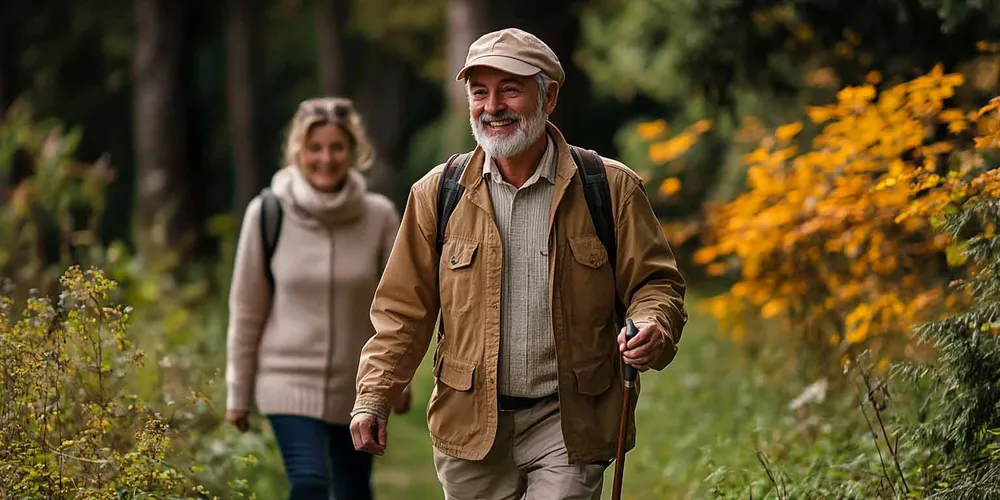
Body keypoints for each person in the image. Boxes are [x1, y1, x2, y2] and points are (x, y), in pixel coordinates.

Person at [350, 28, 688, 498]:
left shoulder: (609, 187)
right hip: (471, 428)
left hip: (568, 421)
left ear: (548, 97)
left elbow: (655, 283)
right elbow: (402, 311)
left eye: (511, 89)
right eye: (479, 92)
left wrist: (652, 323)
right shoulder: (437, 193)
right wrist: (374, 396)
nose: (493, 106)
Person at [225, 97, 409, 500]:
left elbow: (399, 307)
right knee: (309, 481)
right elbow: (246, 309)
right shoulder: (267, 213)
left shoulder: (379, 217)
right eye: (315, 148)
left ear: (354, 152)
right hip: (285, 379)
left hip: (358, 386)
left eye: (336, 147)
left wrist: (397, 380)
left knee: (353, 491)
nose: (326, 158)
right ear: (298, 152)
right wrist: (238, 393)